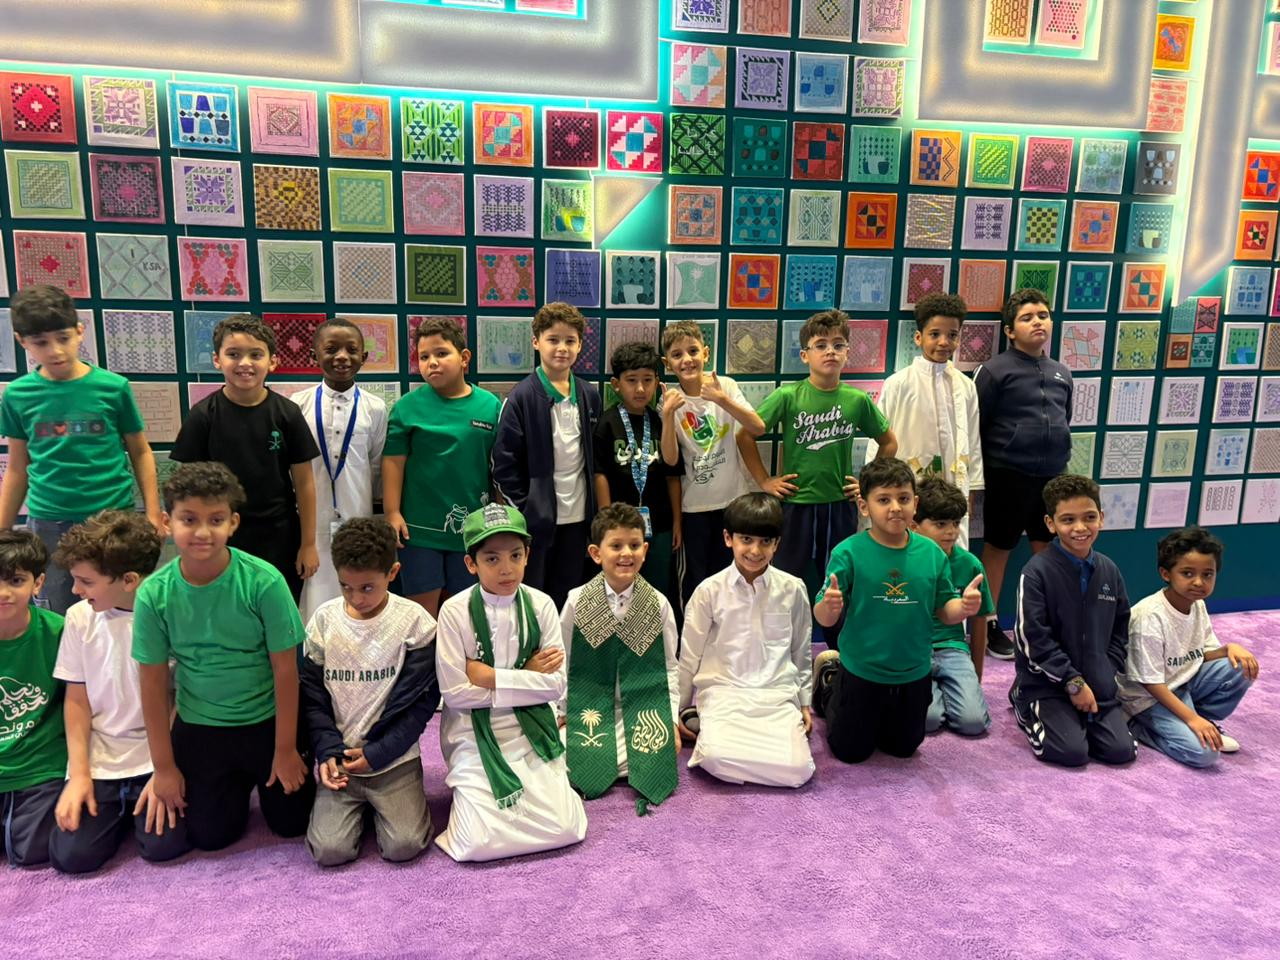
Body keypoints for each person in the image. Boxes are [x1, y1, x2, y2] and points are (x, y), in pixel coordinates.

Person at [132, 462, 316, 851]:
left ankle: (268, 772)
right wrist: (163, 767)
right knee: (211, 837)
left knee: (292, 824)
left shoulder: (264, 581)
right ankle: (230, 785)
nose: (202, 532)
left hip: (267, 721)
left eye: (215, 520)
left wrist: (285, 750)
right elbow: (152, 683)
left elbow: (286, 670)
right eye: (189, 519)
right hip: (202, 725)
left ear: (233, 523)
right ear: (167, 522)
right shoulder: (153, 594)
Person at [433, 504, 586, 862]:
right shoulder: (454, 611)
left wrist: (490, 677)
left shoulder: (541, 605)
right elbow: (455, 695)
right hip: (473, 732)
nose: (506, 568)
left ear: (527, 556)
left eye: (515, 555)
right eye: (492, 558)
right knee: (477, 842)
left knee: (564, 828)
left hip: (531, 727)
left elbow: (556, 686)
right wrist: (528, 674)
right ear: (471, 564)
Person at [0, 285, 162, 614]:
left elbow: (141, 452)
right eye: (41, 342)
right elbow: (17, 467)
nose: (55, 351)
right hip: (51, 522)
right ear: (22, 341)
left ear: (79, 330)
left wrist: (152, 513)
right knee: (58, 609)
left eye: (63, 337)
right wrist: (2, 530)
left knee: (123, 608)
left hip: (112, 517)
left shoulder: (113, 387)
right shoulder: (17, 396)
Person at [812, 458, 984, 764]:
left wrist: (963, 607)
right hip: (862, 669)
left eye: (903, 498)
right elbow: (824, 616)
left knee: (903, 748)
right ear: (864, 507)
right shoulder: (848, 552)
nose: (895, 508)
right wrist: (829, 606)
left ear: (915, 504)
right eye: (883, 500)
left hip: (914, 670)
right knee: (851, 752)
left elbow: (945, 611)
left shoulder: (931, 553)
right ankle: (829, 685)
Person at [47, 511, 190, 873]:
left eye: (86, 582)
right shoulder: (79, 618)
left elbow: (182, 699)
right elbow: (76, 701)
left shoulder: (170, 616)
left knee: (164, 847)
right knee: (71, 856)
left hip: (157, 757)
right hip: (101, 761)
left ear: (128, 580)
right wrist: (79, 775)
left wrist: (164, 768)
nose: (76, 590)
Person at [300, 517, 438, 866]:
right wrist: (327, 751)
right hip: (341, 762)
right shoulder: (323, 621)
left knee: (404, 846)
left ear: (393, 573)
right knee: (329, 851)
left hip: (394, 760)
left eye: (367, 587)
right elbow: (313, 699)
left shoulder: (416, 623)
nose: (356, 598)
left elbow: (420, 704)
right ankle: (357, 811)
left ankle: (385, 807)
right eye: (346, 587)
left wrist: (380, 752)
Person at [739, 309, 897, 609]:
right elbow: (745, 436)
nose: (830, 352)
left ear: (847, 353)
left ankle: (836, 639)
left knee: (838, 583)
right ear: (804, 355)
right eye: (821, 345)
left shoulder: (857, 399)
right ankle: (782, 637)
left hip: (839, 504)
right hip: (795, 504)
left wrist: (868, 485)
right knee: (784, 583)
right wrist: (764, 481)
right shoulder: (788, 395)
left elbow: (889, 442)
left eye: (838, 345)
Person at [170, 313, 320, 603]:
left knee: (276, 610)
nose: (245, 363)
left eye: (255, 354)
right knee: (227, 609)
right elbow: (186, 489)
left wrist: (308, 544)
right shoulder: (203, 416)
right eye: (234, 354)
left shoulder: (287, 414)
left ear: (272, 361)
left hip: (280, 536)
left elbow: (305, 484)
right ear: (217, 360)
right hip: (220, 535)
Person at [677, 493, 814, 788]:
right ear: (729, 538)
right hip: (724, 693)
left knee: (800, 770)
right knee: (713, 758)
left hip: (775, 696)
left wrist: (804, 702)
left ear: (777, 544)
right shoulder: (708, 591)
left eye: (765, 541)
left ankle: (742, 748)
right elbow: (689, 655)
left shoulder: (793, 589)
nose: (755, 550)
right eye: (746, 539)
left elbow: (800, 650)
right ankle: (714, 731)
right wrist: (679, 708)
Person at [1009, 474, 1136, 768]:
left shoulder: (1109, 570)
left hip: (1097, 684)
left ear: (1101, 517)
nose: (1080, 528)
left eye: (1089, 517)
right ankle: (1022, 700)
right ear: (1050, 523)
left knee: (1121, 752)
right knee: (1071, 752)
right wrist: (1073, 682)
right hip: (1048, 685)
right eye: (1068, 520)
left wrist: (1106, 669)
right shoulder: (1035, 572)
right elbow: (1032, 639)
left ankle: (1081, 715)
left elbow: (1120, 628)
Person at [561, 503, 680, 812]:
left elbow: (669, 667)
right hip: (588, 708)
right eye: (616, 546)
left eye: (634, 545)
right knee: (559, 750)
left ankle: (618, 764)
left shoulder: (658, 604)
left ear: (645, 550)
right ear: (596, 553)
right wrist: (562, 710)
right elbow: (563, 661)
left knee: (660, 747)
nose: (626, 553)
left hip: (642, 709)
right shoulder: (576, 601)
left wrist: (670, 719)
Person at [973, 290, 1073, 659]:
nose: (1037, 322)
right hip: (1007, 474)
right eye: (1027, 317)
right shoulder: (994, 371)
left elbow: (1065, 418)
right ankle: (988, 624)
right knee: (998, 548)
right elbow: (977, 425)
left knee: (1047, 549)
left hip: (1052, 477)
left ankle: (1040, 623)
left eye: (1043, 315)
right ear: (1010, 330)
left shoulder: (1062, 372)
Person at [384, 317, 501, 616]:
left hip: (473, 530)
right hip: (418, 531)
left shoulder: (490, 406)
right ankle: (425, 652)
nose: (432, 363)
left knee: (465, 611)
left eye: (441, 353)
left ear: (464, 358)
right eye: (424, 357)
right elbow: (393, 461)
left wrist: (499, 515)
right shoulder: (406, 407)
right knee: (421, 615)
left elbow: (498, 467)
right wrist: (392, 512)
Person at [1118, 526, 1259, 768]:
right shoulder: (1149, 617)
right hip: (1146, 699)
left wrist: (1229, 648)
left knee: (1239, 665)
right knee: (1205, 754)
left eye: (1208, 574)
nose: (1199, 582)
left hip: (1181, 683)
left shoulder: (1197, 604)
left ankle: (1199, 720)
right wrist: (1192, 719)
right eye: (1187, 573)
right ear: (1166, 574)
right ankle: (1138, 726)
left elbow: (1200, 654)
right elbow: (1150, 683)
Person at [492, 302, 602, 609]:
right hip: (537, 524)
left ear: (580, 344)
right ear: (536, 342)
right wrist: (529, 508)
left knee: (571, 597)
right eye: (553, 339)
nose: (562, 348)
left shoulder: (589, 395)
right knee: (534, 597)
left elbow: (596, 459)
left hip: (579, 519)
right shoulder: (521, 398)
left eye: (570, 341)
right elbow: (503, 465)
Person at [659, 321, 765, 611]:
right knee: (696, 581)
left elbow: (757, 427)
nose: (687, 359)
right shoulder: (669, 399)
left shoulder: (725, 385)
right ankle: (695, 634)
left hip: (733, 502)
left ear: (705, 353)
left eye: (693, 351)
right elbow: (670, 459)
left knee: (734, 576)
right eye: (677, 355)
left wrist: (721, 399)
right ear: (667, 363)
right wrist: (667, 416)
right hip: (694, 508)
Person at [866, 293, 983, 550]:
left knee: (950, 552)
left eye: (952, 335)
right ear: (918, 337)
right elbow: (879, 438)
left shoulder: (965, 386)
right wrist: (874, 487)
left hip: (953, 487)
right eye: (935, 334)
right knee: (909, 549)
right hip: (908, 489)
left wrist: (972, 488)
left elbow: (973, 440)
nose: (944, 342)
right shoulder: (898, 384)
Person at [292, 318, 388, 623]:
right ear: (314, 356)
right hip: (312, 525)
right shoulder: (298, 405)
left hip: (358, 516)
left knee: (359, 596)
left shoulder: (375, 408)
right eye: (331, 349)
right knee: (315, 601)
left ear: (364, 357)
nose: (342, 357)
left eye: (351, 350)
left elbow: (376, 464)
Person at [592, 343, 684, 599]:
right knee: (621, 586)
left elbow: (672, 474)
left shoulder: (660, 421)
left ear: (657, 382)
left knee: (657, 589)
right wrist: (606, 521)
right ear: (616, 384)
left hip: (660, 524)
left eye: (647, 380)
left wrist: (677, 521)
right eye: (632, 380)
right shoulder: (607, 424)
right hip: (619, 525)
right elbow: (600, 475)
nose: (640, 388)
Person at [0, 530, 65, 867]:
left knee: (33, 852)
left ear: (37, 583)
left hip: (41, 767)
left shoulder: (60, 632)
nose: (3, 592)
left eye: (15, 580)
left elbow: (78, 705)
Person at [910, 477, 992, 737]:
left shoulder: (970, 564)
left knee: (973, 723)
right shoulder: (903, 562)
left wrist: (976, 676)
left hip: (953, 649)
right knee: (927, 720)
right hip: (914, 650)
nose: (951, 532)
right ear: (914, 526)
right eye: (940, 524)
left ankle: (954, 692)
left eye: (956, 523)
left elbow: (980, 620)